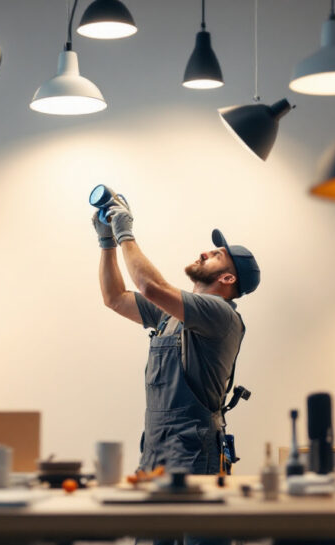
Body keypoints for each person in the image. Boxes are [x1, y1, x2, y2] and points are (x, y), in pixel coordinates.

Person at [94, 194, 259, 475]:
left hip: (192, 456)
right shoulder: (169, 314)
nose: (205, 252)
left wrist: (125, 234)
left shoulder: (221, 315)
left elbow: (150, 287)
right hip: (155, 449)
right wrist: (107, 243)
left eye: (216, 255)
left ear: (228, 279)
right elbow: (115, 298)